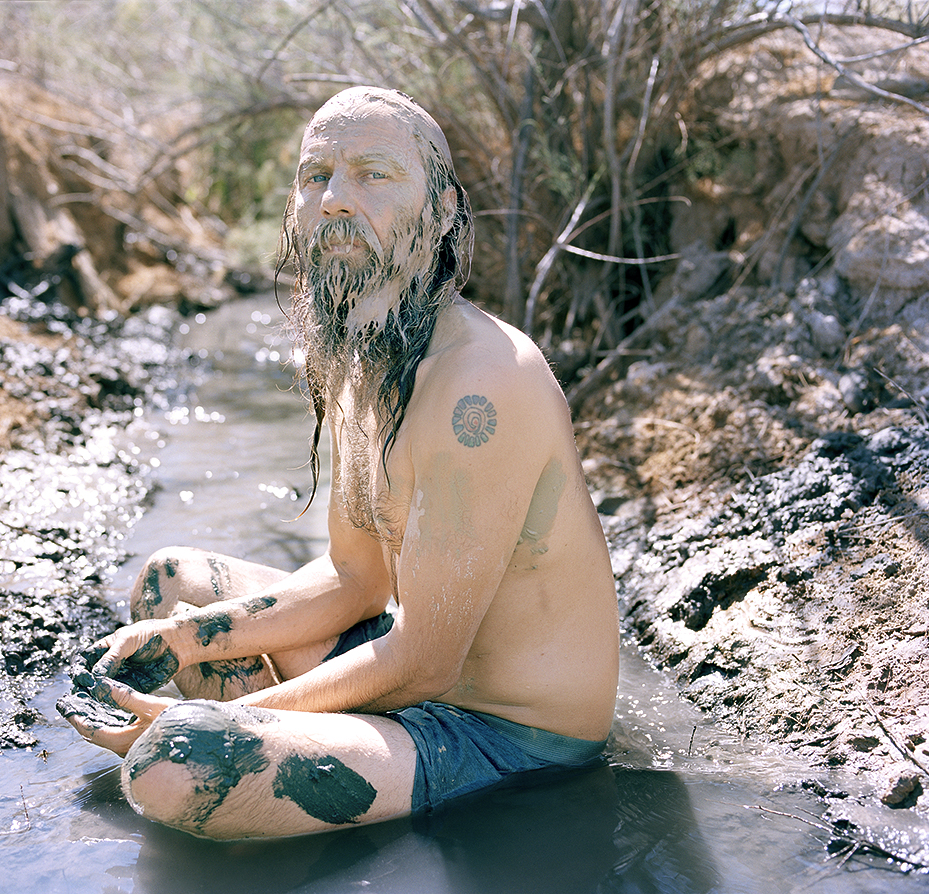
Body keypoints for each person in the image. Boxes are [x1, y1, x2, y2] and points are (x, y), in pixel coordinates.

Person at [59, 86, 619, 840]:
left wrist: (224, 715)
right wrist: (185, 641)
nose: (333, 200)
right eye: (315, 174)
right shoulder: (365, 353)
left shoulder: (481, 388)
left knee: (177, 760)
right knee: (171, 587)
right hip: (416, 672)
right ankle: (261, 748)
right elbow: (356, 579)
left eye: (373, 174)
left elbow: (426, 664)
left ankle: (239, 747)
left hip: (505, 740)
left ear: (445, 210)